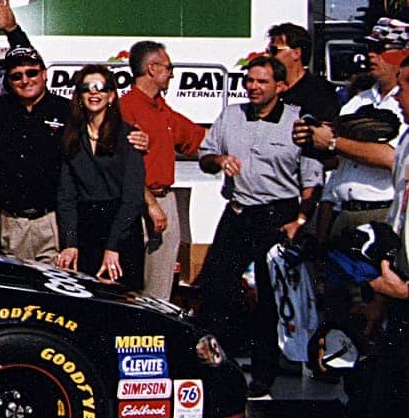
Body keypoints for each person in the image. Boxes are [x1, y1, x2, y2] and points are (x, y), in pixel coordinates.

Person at [197, 55, 324, 397]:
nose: (252, 87)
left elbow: (311, 181)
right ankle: (215, 369)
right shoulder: (231, 115)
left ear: (280, 87)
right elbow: (204, 156)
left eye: (262, 82)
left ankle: (264, 374)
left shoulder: (298, 123)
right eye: (249, 80)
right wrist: (219, 160)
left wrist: (300, 220)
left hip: (276, 215)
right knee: (215, 289)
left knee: (269, 298)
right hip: (238, 212)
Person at [299, 18, 408, 240]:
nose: (371, 55)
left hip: (380, 212)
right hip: (341, 211)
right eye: (369, 48)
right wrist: (311, 138)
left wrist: (332, 142)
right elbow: (338, 162)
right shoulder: (357, 101)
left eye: (380, 49)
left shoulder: (404, 104)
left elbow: (392, 157)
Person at [119, 40, 207, 299]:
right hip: (139, 203)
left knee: (161, 283)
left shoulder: (162, 109)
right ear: (152, 68)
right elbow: (124, 166)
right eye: (169, 68)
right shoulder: (126, 109)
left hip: (164, 200)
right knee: (134, 284)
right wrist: (151, 204)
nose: (171, 74)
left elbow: (197, 137)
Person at [362, 57, 409, 418]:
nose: (398, 97)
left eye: (407, 87)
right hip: (397, 301)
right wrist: (382, 295)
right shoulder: (408, 139)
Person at [56, 65, 147, 289]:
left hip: (121, 230)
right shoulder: (71, 136)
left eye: (100, 88)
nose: (94, 93)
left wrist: (113, 247)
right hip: (86, 229)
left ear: (111, 96)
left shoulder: (129, 136)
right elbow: (66, 196)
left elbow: (133, 198)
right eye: (87, 88)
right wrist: (70, 242)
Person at [0, 47, 65, 265]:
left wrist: (132, 135)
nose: (25, 80)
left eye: (32, 73)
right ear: (8, 81)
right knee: (15, 295)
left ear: (45, 73)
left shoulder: (66, 109)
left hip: (51, 221)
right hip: (11, 221)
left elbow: (102, 127)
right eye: (16, 76)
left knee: (55, 294)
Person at [267, 21, 341, 122]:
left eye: (274, 50)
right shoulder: (271, 90)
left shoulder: (321, 92)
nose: (268, 56)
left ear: (296, 53)